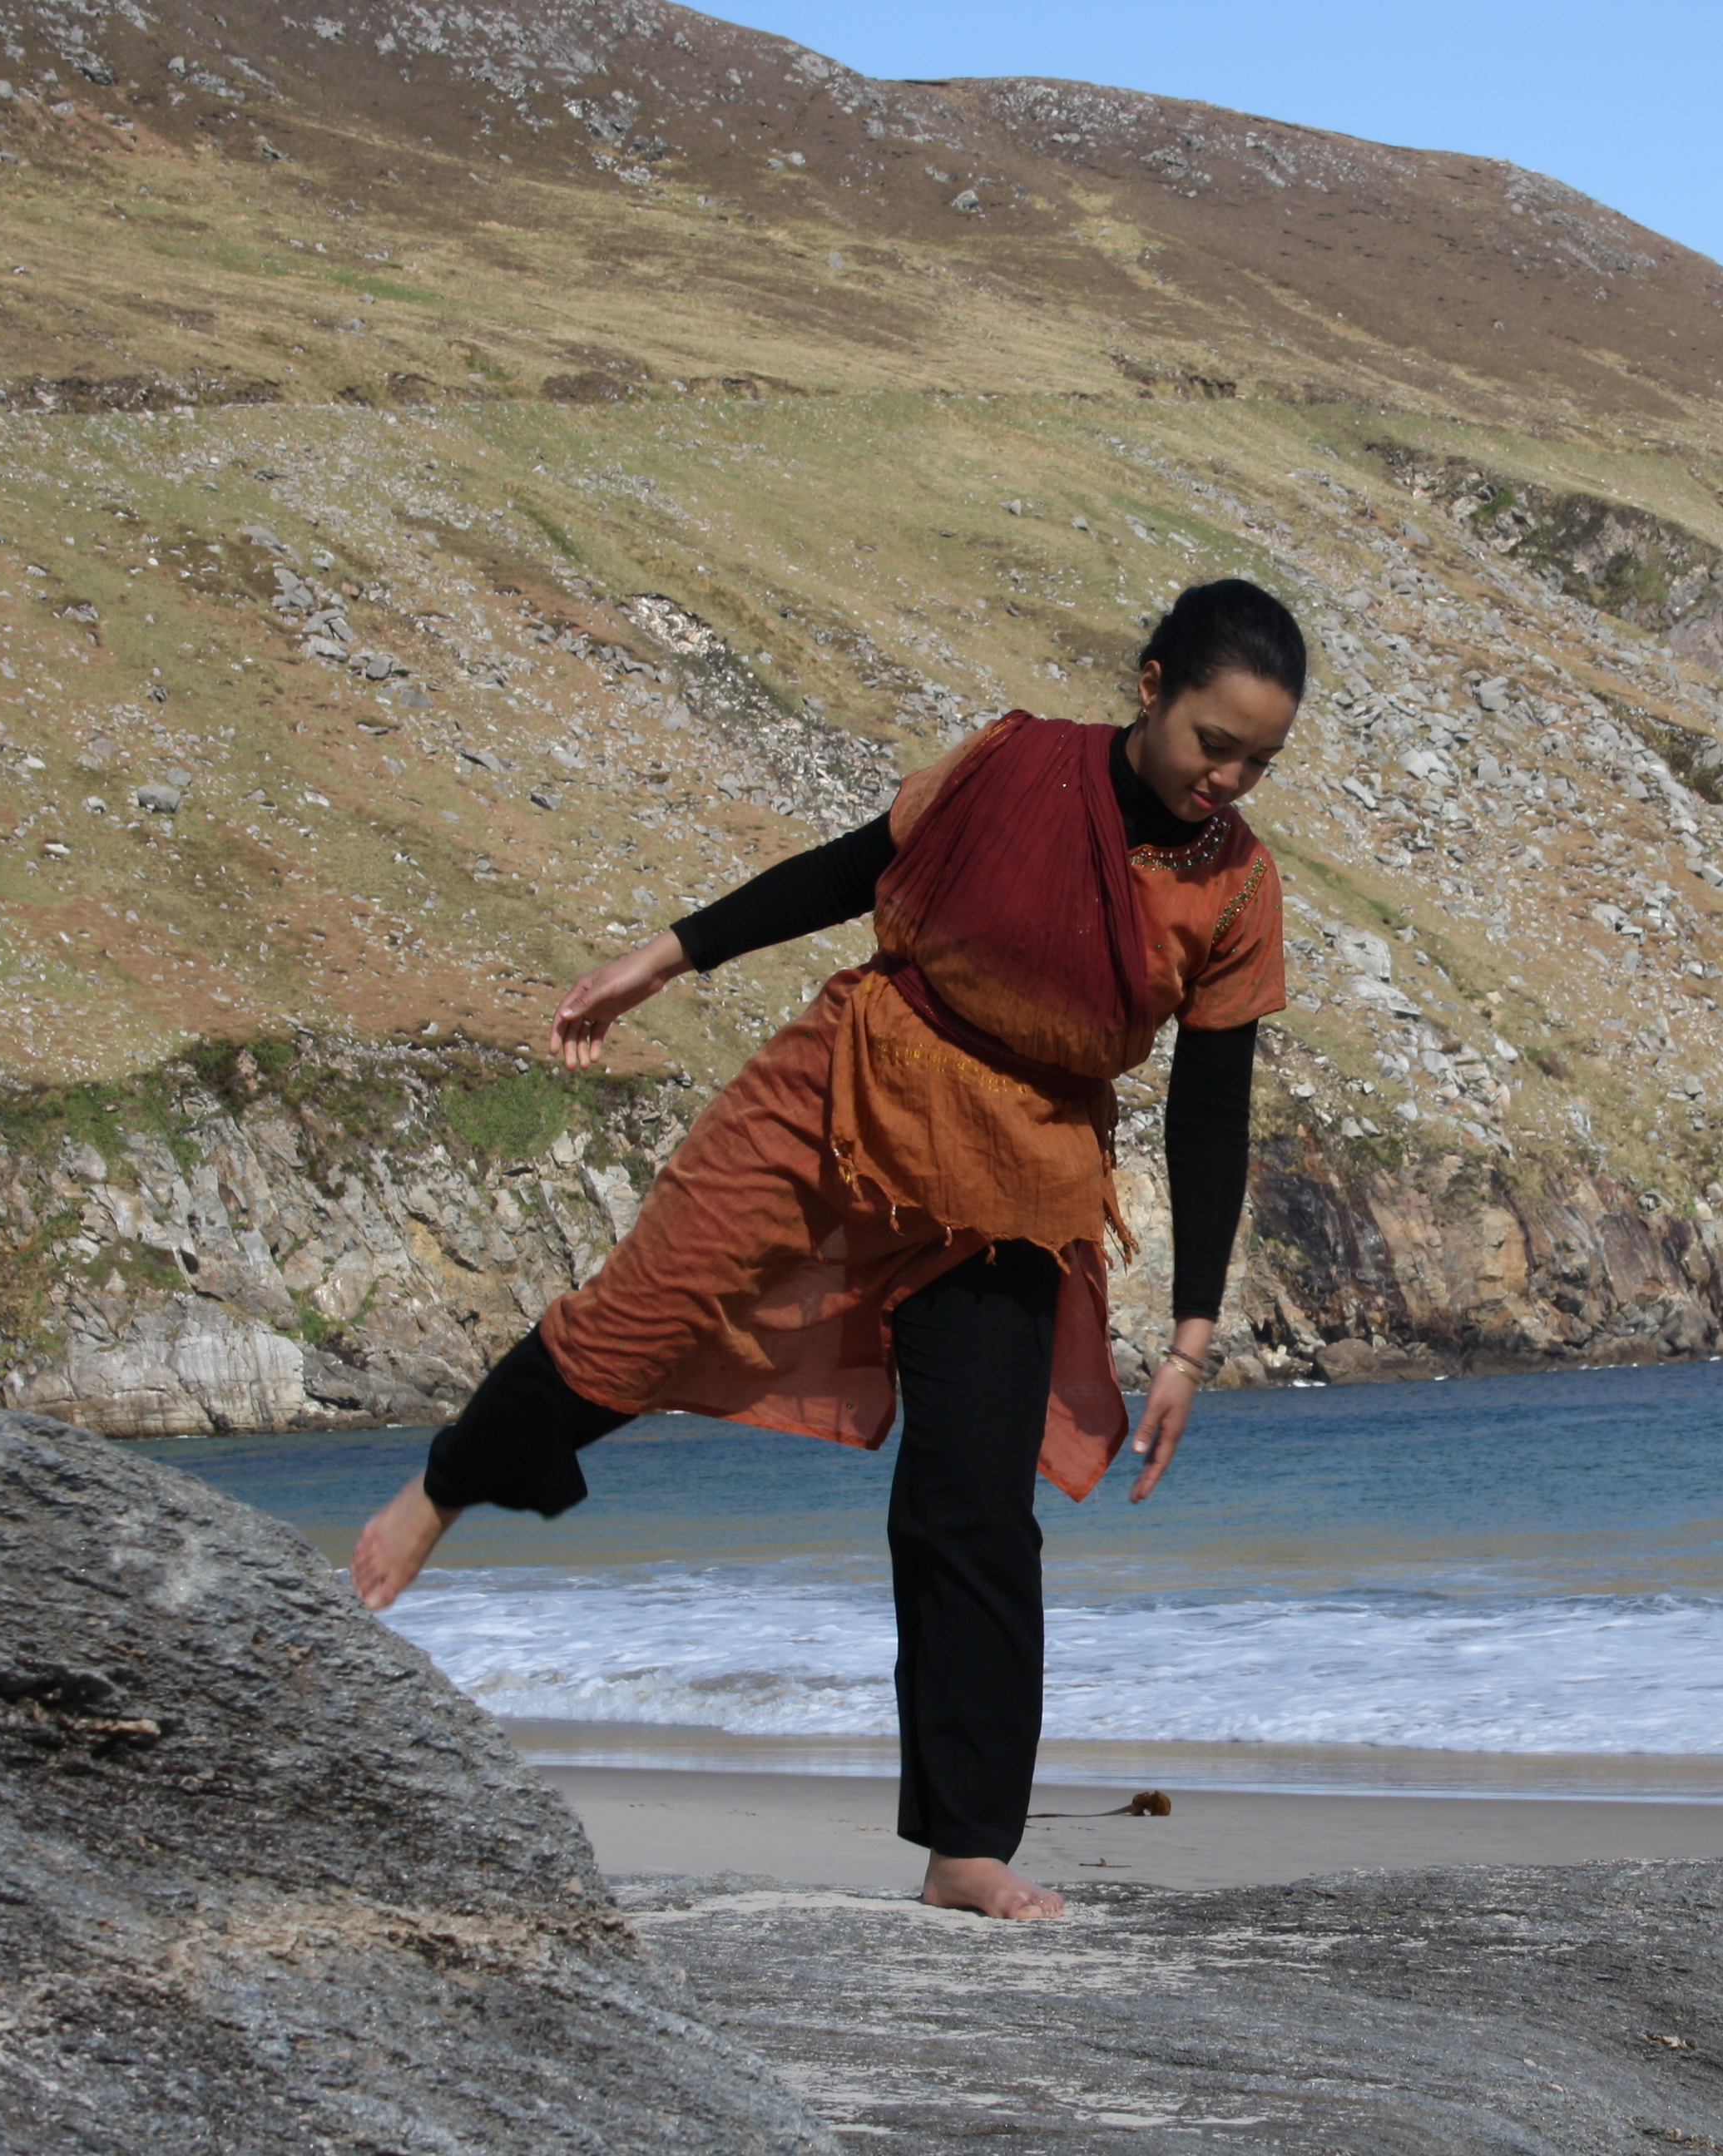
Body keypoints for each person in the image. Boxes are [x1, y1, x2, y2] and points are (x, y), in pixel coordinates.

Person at [348, 577, 1303, 1921]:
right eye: (1216, 743)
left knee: (971, 1508)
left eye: (1260, 761)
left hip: (1016, 1167)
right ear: (1152, 686)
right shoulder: (1013, 763)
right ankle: (443, 1488)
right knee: (645, 1317)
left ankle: (966, 1850)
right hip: (850, 1082)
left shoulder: (1239, 887)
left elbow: (1211, 1108)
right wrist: (663, 958)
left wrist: (1191, 1337)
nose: (1231, 779)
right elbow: (855, 868)